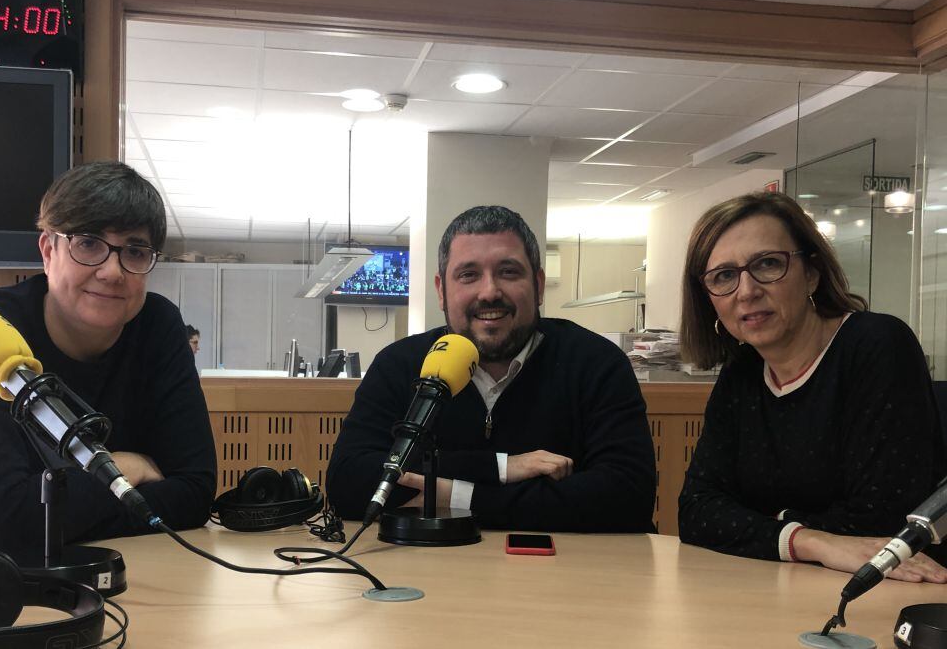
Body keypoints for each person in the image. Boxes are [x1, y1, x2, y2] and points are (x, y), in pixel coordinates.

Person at [0, 162, 216, 586]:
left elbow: (194, 495)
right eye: (88, 243)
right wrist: (123, 469)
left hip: (100, 574)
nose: (112, 270)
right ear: (48, 250)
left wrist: (28, 520)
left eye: (135, 251)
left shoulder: (158, 326)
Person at [326, 206, 656, 532]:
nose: (489, 292)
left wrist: (456, 494)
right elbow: (349, 484)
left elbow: (627, 497)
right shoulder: (398, 365)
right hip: (432, 572)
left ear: (538, 285)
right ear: (442, 290)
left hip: (562, 575)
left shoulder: (597, 363)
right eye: (468, 275)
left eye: (508, 272)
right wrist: (501, 468)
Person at [677, 191, 947, 584]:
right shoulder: (741, 374)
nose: (747, 290)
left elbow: (882, 522)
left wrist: (765, 525)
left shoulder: (876, 344)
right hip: (781, 584)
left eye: (768, 264)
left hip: (892, 590)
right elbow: (696, 512)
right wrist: (812, 541)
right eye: (724, 276)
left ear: (812, 273)